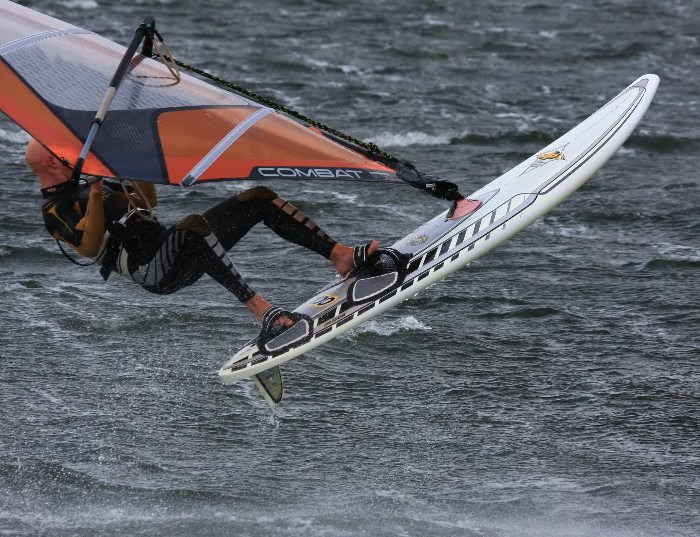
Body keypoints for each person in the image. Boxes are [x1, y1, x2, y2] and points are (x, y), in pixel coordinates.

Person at [26, 138, 378, 328]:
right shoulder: (55, 210)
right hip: (152, 269)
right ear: (53, 163)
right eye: (63, 153)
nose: (72, 155)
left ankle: (340, 255)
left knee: (257, 198)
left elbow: (148, 203)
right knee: (194, 225)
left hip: (172, 247)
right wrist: (99, 194)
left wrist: (133, 163)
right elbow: (88, 248)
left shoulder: (93, 180)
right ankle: (261, 310)